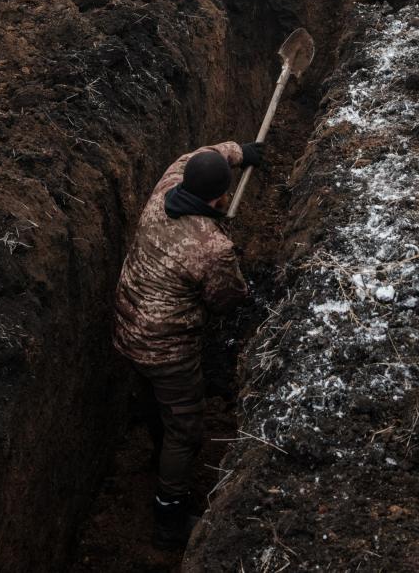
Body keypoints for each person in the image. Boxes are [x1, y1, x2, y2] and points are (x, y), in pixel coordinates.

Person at [113, 140, 263, 547]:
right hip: (167, 350)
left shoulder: (166, 188)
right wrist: (231, 258)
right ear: (218, 198)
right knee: (185, 429)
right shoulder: (212, 249)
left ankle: (155, 454)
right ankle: (169, 516)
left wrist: (239, 151)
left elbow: (194, 154)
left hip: (127, 326)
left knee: (152, 402)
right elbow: (226, 300)